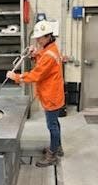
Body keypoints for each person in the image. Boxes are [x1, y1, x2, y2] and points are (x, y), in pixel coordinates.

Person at [6, 20, 65, 167]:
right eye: (37, 38)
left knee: (52, 125)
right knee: (55, 124)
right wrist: (35, 54)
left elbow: (36, 74)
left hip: (51, 96)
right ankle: (56, 147)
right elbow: (42, 57)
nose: (38, 40)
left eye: (40, 37)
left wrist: (17, 77)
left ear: (49, 36)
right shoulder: (50, 49)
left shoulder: (49, 54)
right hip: (53, 94)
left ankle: (52, 155)